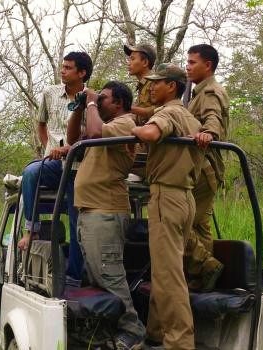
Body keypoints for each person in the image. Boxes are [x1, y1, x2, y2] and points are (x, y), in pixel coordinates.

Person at [67, 81, 146, 350]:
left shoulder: (125, 122)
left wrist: (90, 102)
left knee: (109, 274)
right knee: (95, 277)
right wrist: (80, 107)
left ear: (119, 103)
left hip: (107, 211)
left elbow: (94, 132)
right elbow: (71, 139)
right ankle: (106, 330)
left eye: (104, 98)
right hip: (91, 212)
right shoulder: (102, 124)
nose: (99, 101)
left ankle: (132, 329)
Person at [131, 63, 203, 349]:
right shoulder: (191, 119)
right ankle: (155, 334)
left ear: (171, 86)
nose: (151, 87)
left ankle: (180, 343)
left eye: (157, 83)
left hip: (166, 196)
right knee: (166, 270)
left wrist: (133, 130)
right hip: (186, 197)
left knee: (168, 276)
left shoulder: (169, 112)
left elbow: (151, 134)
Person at [17, 51, 93, 283]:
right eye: (63, 66)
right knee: (30, 172)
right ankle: (32, 230)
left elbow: (91, 133)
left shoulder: (90, 98)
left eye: (68, 68)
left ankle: (74, 277)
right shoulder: (50, 93)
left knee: (75, 221)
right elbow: (41, 124)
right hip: (53, 163)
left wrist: (67, 149)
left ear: (82, 73)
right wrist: (47, 147)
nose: (62, 70)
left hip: (78, 167)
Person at [184, 44, 230, 291]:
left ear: (208, 65)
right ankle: (202, 278)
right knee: (200, 225)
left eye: (192, 62)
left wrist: (209, 133)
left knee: (179, 221)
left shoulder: (210, 92)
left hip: (203, 168)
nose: (187, 66)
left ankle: (206, 266)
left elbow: (213, 119)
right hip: (203, 167)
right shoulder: (196, 92)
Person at [124, 43, 158, 125]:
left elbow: (162, 110)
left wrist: (128, 108)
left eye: (132, 59)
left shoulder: (155, 83)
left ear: (145, 62)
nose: (129, 63)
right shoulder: (142, 85)